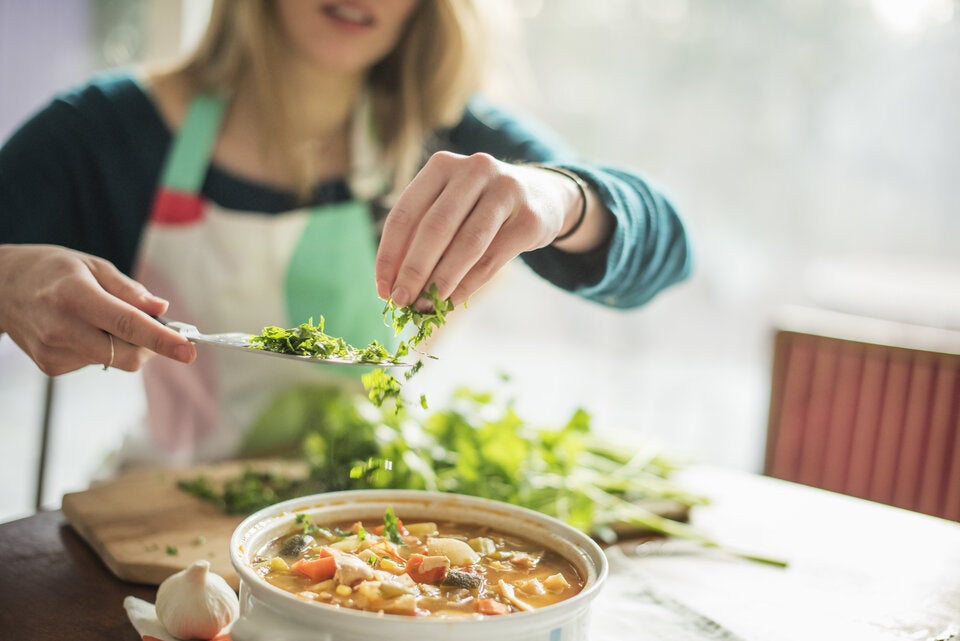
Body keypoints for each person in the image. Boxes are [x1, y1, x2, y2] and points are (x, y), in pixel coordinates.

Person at [0, 0, 691, 464]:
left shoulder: (455, 133)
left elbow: (671, 249)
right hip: (164, 516)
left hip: (373, 525)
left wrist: (564, 197)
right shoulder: (110, 132)